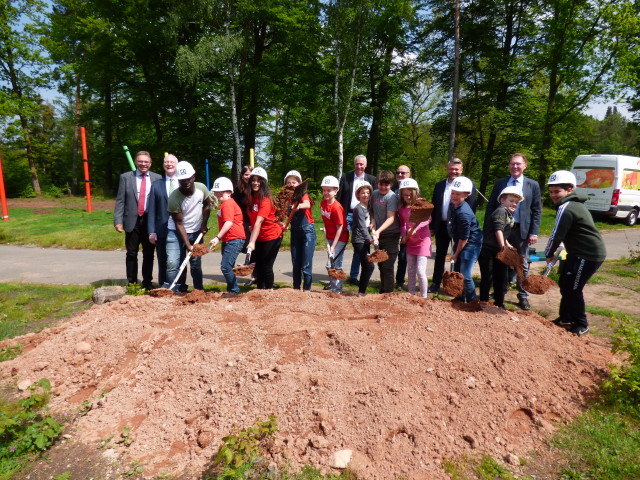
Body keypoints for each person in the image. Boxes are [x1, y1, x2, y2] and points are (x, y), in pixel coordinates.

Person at [545, 170, 606, 336]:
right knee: (565, 284)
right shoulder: (573, 205)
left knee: (573, 288)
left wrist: (548, 253)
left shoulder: (567, 206)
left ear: (569, 190)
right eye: (551, 192)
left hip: (588, 254)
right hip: (576, 252)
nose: (553, 195)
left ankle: (581, 324)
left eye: (557, 191)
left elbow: (556, 234)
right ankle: (565, 318)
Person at [485, 153, 542, 310]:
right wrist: (488, 228)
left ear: (525, 166)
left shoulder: (532, 185)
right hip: (502, 229)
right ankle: (500, 291)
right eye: (512, 164)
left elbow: (537, 210)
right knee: (502, 259)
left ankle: (522, 295)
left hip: (521, 230)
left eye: (518, 164)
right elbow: (491, 206)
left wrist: (534, 232)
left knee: (521, 263)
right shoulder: (500, 183)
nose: (515, 167)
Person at [113, 151, 162, 289]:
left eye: (146, 162)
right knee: (131, 253)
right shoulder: (126, 177)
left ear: (150, 163)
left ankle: (147, 283)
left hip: (149, 221)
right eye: (140, 161)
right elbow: (120, 201)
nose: (143, 164)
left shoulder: (157, 178)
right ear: (136, 162)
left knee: (149, 254)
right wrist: (118, 220)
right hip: (131, 221)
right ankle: (132, 283)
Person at [429, 158, 477, 293]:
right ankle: (436, 283)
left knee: (458, 255)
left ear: (461, 170)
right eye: (451, 168)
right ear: (447, 169)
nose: (454, 171)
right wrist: (432, 226)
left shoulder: (469, 185)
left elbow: (471, 207)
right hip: (442, 225)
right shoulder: (439, 185)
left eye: (457, 169)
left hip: (458, 226)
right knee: (439, 256)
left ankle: (455, 286)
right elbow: (434, 206)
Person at [166, 161, 212, 291]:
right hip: (175, 232)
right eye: (182, 180)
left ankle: (199, 291)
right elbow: (178, 223)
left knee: (195, 264)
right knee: (173, 263)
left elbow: (208, 205)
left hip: (196, 231)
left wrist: (203, 224)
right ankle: (174, 291)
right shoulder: (174, 197)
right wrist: (187, 245)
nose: (186, 183)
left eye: (188, 179)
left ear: (193, 177)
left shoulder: (201, 188)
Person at [478, 186, 523, 308]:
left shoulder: (508, 213)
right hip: (489, 249)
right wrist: (504, 248)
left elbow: (503, 233)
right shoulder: (501, 211)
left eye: (516, 202)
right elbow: (498, 230)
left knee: (501, 277)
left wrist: (508, 246)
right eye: (511, 200)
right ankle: (483, 301)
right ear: (502, 200)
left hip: (498, 248)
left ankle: (499, 302)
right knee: (488, 276)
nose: (514, 204)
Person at [147, 154, 186, 289]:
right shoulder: (156, 185)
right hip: (162, 228)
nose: (169, 164)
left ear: (177, 164)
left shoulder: (183, 183)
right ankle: (164, 285)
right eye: (166, 162)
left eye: (172, 162)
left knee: (181, 257)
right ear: (163, 165)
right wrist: (151, 231)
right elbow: (151, 209)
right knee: (163, 259)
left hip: (182, 227)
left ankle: (181, 285)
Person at [337, 155, 376, 285]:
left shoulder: (371, 179)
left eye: (361, 164)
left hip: (364, 215)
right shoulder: (345, 177)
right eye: (357, 164)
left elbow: (374, 201)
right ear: (354, 165)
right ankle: (337, 274)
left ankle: (354, 276)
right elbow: (340, 197)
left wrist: (372, 218)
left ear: (365, 165)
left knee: (360, 245)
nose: (359, 166)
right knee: (341, 244)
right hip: (347, 214)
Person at [246, 167, 283, 289]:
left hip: (272, 235)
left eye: (259, 180)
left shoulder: (266, 200)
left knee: (266, 266)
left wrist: (251, 242)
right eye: (253, 180)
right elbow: (253, 219)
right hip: (260, 235)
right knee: (259, 265)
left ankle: (268, 292)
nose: (255, 183)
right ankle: (259, 292)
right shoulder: (251, 197)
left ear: (264, 183)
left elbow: (259, 221)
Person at [448, 176, 483, 303]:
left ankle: (473, 301)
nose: (454, 196)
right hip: (461, 241)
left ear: (466, 195)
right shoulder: (454, 205)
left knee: (465, 274)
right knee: (457, 271)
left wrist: (455, 254)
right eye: (453, 193)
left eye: (458, 194)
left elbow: (464, 238)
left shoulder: (464, 213)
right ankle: (459, 297)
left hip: (471, 243)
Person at [210, 177, 246, 294]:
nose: (219, 193)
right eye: (217, 191)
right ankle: (232, 290)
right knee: (228, 266)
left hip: (234, 238)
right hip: (229, 239)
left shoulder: (228, 204)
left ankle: (234, 290)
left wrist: (217, 237)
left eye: (222, 191)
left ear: (229, 192)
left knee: (225, 267)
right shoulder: (224, 204)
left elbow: (229, 222)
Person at [397, 178, 432, 298]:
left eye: (410, 194)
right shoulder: (402, 209)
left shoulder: (421, 205)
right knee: (410, 270)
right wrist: (404, 234)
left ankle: (423, 296)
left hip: (423, 241)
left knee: (420, 271)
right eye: (405, 195)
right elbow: (403, 224)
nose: (408, 197)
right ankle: (411, 294)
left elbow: (427, 219)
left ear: (415, 193)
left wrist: (416, 229)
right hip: (410, 242)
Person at [284, 170, 316, 291]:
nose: (292, 184)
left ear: (299, 183)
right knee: (296, 263)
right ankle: (296, 289)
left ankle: (307, 289)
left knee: (306, 264)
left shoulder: (303, 195)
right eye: (289, 182)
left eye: (294, 182)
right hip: (295, 231)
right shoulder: (287, 198)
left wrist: (296, 207)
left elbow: (307, 204)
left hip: (307, 231)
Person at [371, 170, 400, 294]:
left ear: (391, 184)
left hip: (391, 235)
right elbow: (371, 210)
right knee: (381, 264)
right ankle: (383, 291)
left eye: (386, 185)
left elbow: (391, 218)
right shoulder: (375, 194)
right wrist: (372, 223)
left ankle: (389, 294)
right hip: (379, 234)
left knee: (388, 265)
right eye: (381, 184)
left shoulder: (392, 197)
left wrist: (378, 231)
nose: (383, 187)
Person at [321, 175, 350, 294]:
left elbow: (340, 227)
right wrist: (326, 229)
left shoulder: (337, 208)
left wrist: (333, 246)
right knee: (332, 264)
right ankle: (335, 289)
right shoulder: (323, 203)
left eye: (329, 190)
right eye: (324, 190)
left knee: (332, 265)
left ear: (336, 191)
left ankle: (337, 291)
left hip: (340, 238)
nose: (326, 193)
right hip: (330, 236)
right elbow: (327, 220)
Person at [350, 181, 375, 296]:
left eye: (367, 192)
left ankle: (361, 292)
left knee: (366, 265)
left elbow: (368, 221)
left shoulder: (368, 207)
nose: (365, 195)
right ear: (358, 195)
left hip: (365, 240)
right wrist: (369, 238)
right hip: (359, 240)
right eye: (362, 193)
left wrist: (371, 224)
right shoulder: (358, 208)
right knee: (369, 265)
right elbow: (361, 225)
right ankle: (361, 291)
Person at [232, 165, 255, 286]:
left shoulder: (256, 188)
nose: (248, 177)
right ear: (242, 175)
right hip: (243, 222)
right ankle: (246, 270)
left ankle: (255, 277)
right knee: (246, 248)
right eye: (246, 174)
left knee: (255, 249)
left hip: (255, 221)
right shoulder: (238, 190)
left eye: (250, 174)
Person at [392, 165, 411, 290]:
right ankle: (387, 279)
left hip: (407, 227)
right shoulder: (392, 188)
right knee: (391, 253)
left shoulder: (413, 189)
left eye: (403, 173)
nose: (400, 175)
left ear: (409, 174)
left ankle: (399, 281)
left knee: (403, 255)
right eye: (398, 172)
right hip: (392, 224)